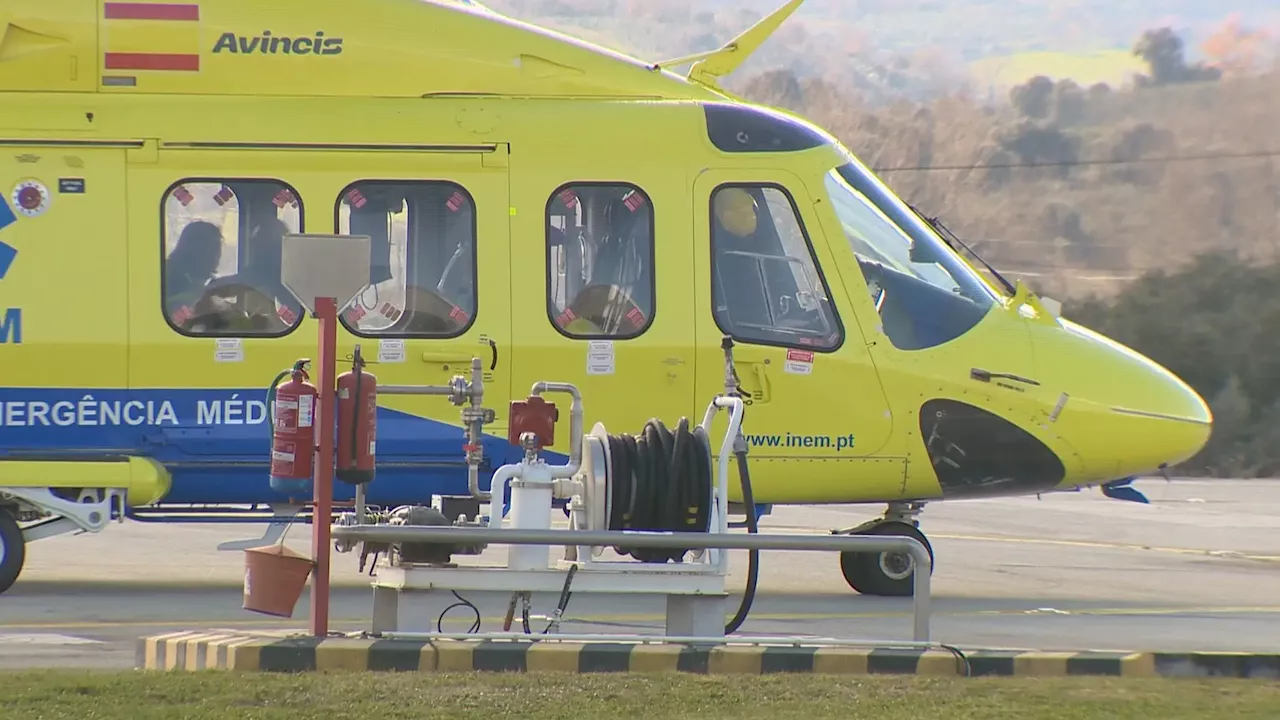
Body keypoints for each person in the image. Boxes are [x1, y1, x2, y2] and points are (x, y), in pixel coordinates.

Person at [164, 220, 223, 327]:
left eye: (218, 248)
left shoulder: (207, 280)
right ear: (191, 248)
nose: (217, 255)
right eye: (210, 248)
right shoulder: (168, 277)